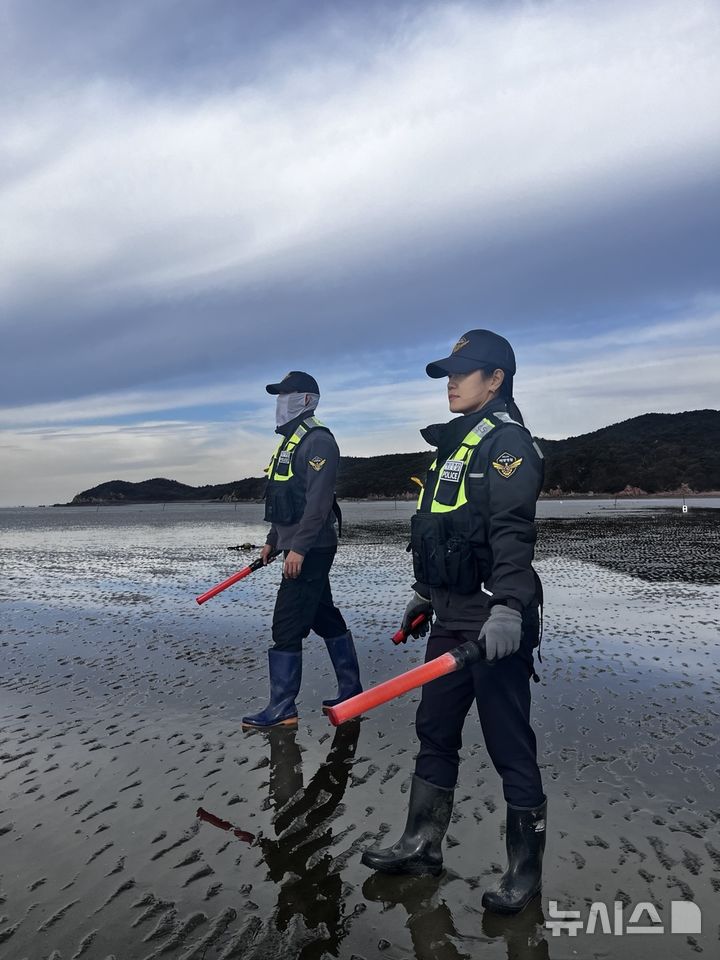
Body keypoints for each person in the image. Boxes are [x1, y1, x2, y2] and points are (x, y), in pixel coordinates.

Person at [361, 330, 547, 916]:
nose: (451, 382)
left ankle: (524, 873)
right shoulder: (452, 446)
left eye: (464, 373)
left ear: (496, 379)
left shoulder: (507, 443)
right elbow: (442, 529)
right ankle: (421, 844)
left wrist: (509, 608)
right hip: (450, 617)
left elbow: (512, 533)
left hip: (495, 624)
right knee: (434, 729)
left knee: (508, 744)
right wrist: (425, 594)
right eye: (448, 373)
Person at [242, 370, 362, 728]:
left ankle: (283, 708)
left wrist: (299, 549)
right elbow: (283, 500)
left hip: (311, 549)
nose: (281, 403)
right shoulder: (289, 443)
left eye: (287, 395)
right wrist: (273, 541)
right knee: (324, 615)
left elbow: (318, 503)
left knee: (287, 624)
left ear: (307, 400)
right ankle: (352, 691)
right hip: (296, 546)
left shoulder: (318, 441)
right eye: (279, 396)